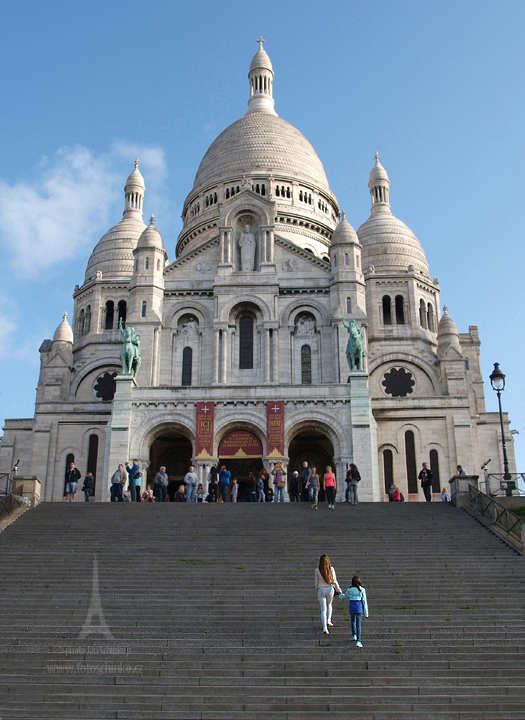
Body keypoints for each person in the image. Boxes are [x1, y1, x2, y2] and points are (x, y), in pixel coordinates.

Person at [315, 554, 342, 635]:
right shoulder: (331, 569)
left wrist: (317, 592)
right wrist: (339, 590)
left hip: (321, 589)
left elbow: (316, 583)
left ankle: (324, 628)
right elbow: (334, 580)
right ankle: (329, 620)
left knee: (323, 609)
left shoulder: (317, 570)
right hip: (330, 588)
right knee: (329, 604)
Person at [339, 575, 369, 648]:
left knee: (353, 621)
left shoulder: (350, 590)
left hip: (352, 607)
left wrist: (340, 595)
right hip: (359, 607)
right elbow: (364, 601)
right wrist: (366, 612)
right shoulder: (361, 590)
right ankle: (358, 641)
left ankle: (354, 634)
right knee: (358, 624)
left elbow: (345, 596)